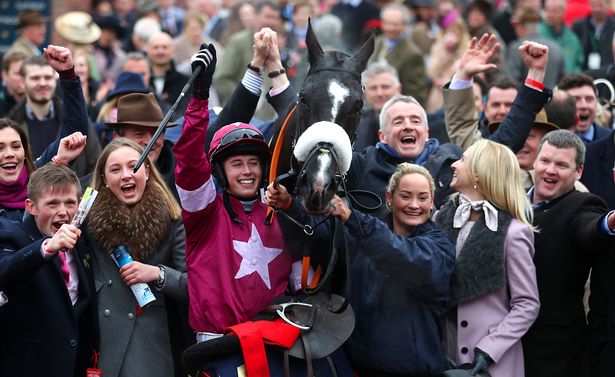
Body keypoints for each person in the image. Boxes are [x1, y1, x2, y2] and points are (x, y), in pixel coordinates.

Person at [266, 162, 456, 376]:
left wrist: (351, 218)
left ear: (432, 202)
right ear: (389, 198)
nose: (414, 205)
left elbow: (402, 255)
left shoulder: (440, 246)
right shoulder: (362, 233)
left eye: (422, 197)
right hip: (357, 369)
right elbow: (322, 238)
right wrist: (290, 204)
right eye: (405, 196)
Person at [173, 43, 297, 339]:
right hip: (220, 346)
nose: (246, 172)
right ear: (220, 172)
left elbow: (298, 126)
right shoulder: (204, 213)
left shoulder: (282, 210)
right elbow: (190, 160)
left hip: (277, 342)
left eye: (253, 163)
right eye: (237, 164)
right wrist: (199, 97)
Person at [434, 139, 540, 377]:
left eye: (462, 160)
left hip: (492, 363)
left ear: (479, 175)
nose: (454, 165)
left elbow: (527, 305)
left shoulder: (514, 232)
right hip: (443, 355)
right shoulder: (441, 218)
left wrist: (489, 350)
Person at [84, 137, 187, 377]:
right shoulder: (86, 220)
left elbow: (194, 285)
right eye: (115, 170)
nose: (126, 175)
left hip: (152, 344)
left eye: (134, 166)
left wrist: (157, 274)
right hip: (102, 345)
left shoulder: (173, 219)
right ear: (105, 180)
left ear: (148, 171)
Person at [521, 130, 615, 377]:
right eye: (546, 161)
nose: (550, 170)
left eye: (561, 165)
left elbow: (589, 228)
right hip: (502, 345)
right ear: (535, 162)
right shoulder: (511, 203)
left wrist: (610, 223)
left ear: (579, 172)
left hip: (555, 355)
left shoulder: (582, 205)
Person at [0, 163, 98, 377]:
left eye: (70, 203)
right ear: (31, 206)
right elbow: (5, 270)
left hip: (76, 365)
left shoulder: (82, 241)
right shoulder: (13, 236)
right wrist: (47, 247)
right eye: (52, 204)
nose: (63, 212)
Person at [7, 48, 102, 177]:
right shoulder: (11, 127)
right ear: (23, 82)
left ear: (54, 80)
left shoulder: (76, 118)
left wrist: (68, 74)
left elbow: (95, 165)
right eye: (35, 78)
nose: (42, 83)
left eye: (47, 77)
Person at [369, 2, 428, 106]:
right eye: (387, 23)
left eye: (395, 24)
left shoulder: (412, 54)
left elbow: (415, 94)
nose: (390, 28)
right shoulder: (378, 42)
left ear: (405, 25)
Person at [557, 72, 611, 144]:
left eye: (589, 99)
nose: (584, 106)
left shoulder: (611, 139)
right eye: (575, 99)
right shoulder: (548, 138)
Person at [0, 52, 27, 117]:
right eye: (18, 74)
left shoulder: (36, 98)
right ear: (5, 75)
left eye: (25, 73)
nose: (23, 78)